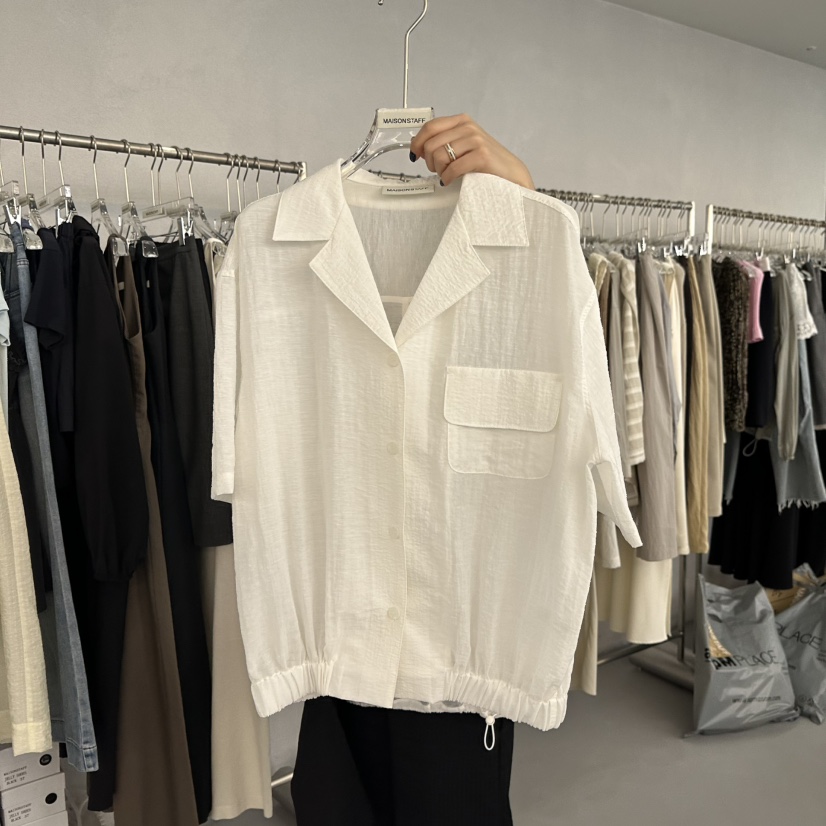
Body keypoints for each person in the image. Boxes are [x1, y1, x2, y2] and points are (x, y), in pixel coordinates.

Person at [290, 115, 536, 826]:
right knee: (335, 793)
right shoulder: (289, 248)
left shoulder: (527, 261)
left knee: (449, 798)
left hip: (454, 659)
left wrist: (522, 199)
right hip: (342, 630)